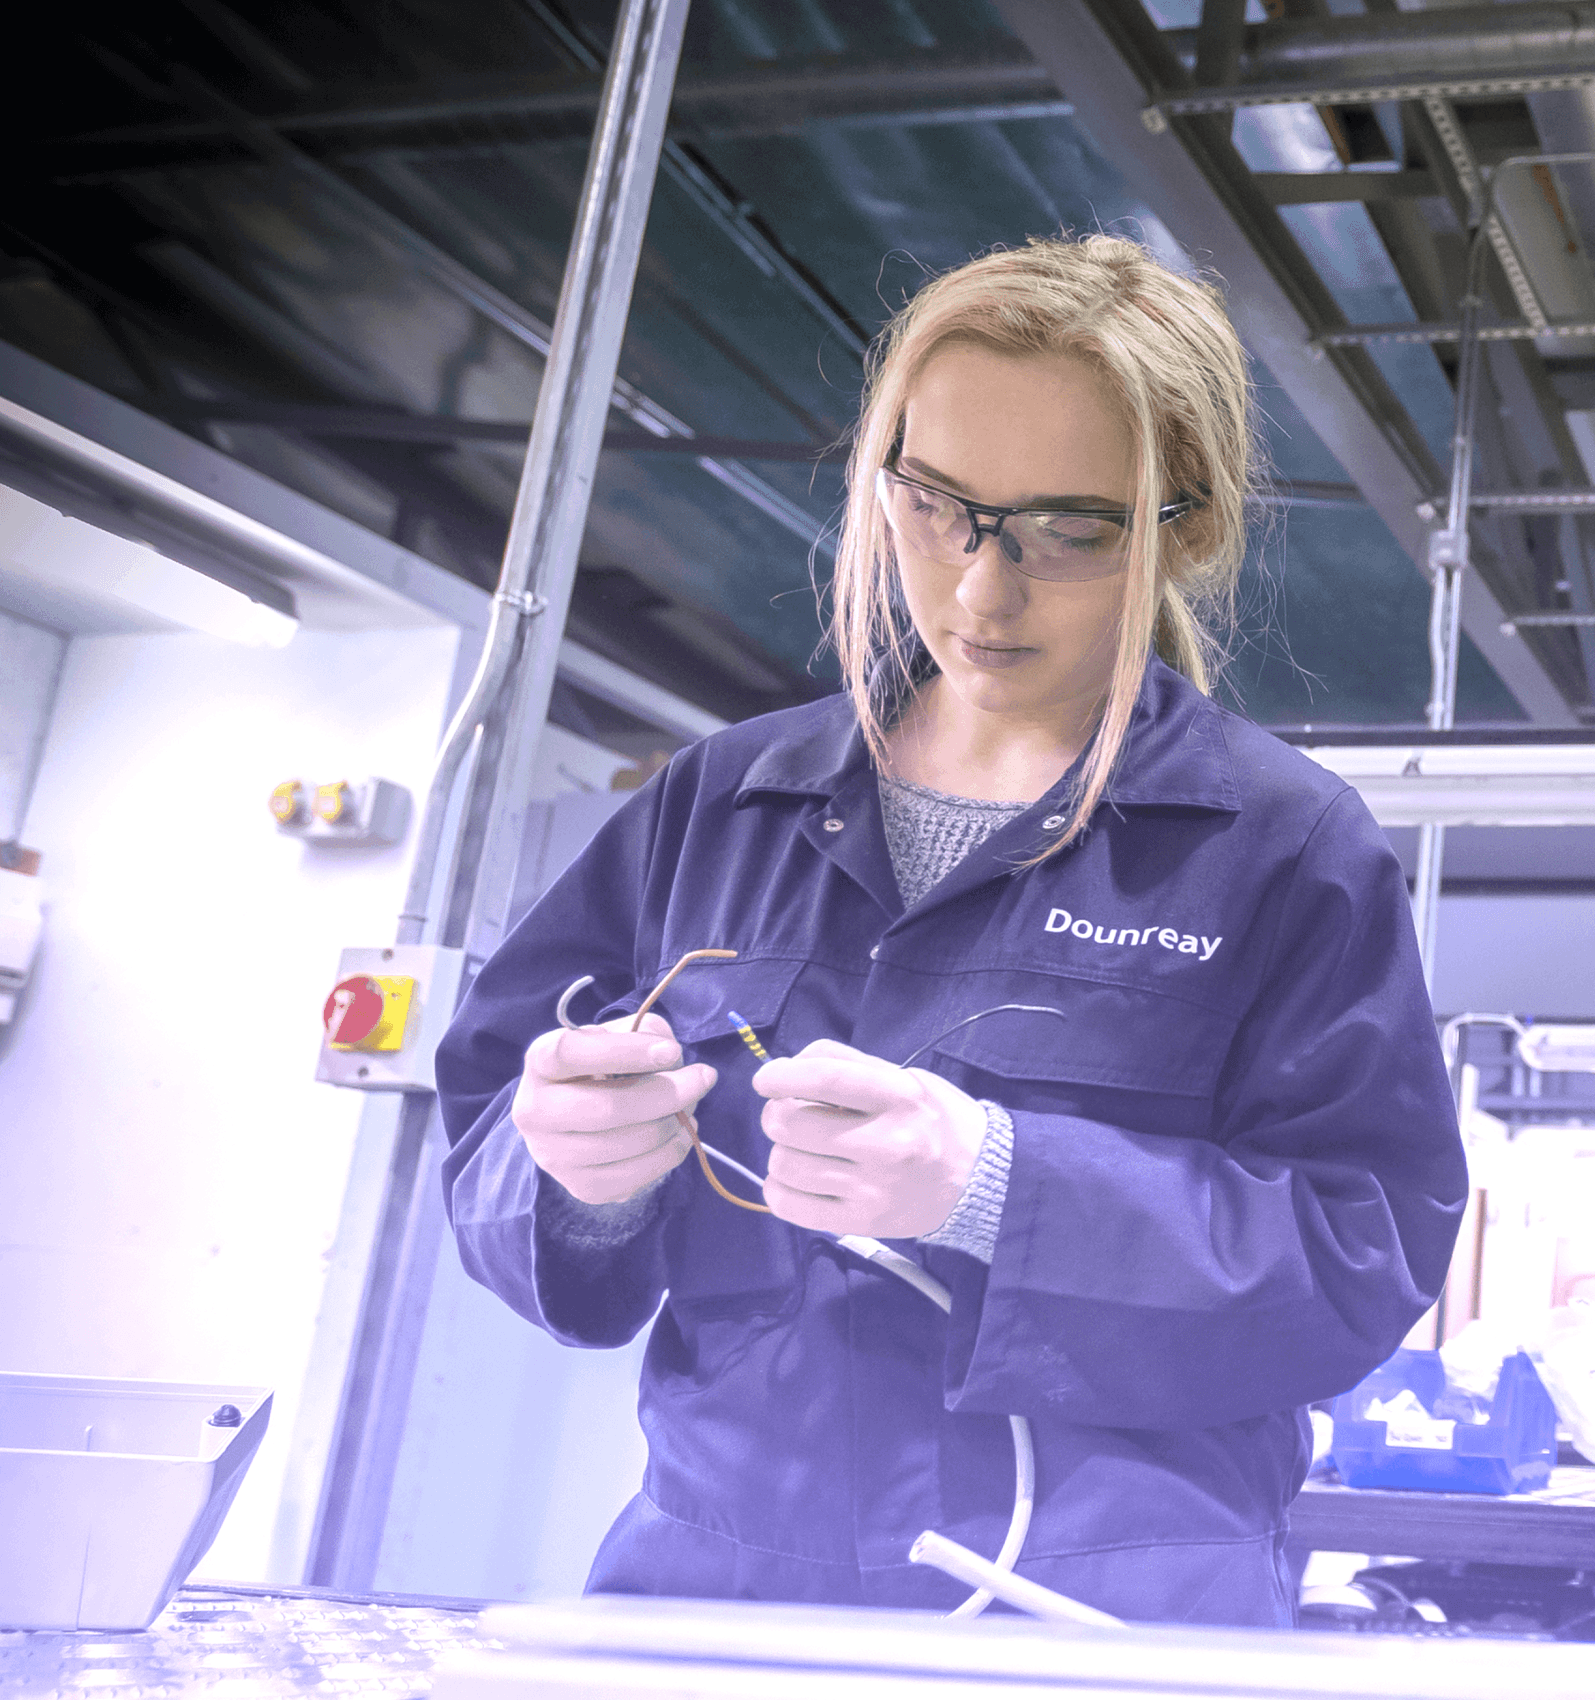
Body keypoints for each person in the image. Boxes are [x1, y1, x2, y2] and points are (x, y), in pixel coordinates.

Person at [435, 236, 1465, 1624]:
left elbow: (1363, 1260)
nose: (983, 588)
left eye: (1069, 529)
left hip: (1102, 1626)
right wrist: (574, 1175)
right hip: (718, 1602)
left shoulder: (1281, 850)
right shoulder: (720, 803)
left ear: (1188, 527)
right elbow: (491, 1146)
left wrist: (992, 1184)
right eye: (937, 507)